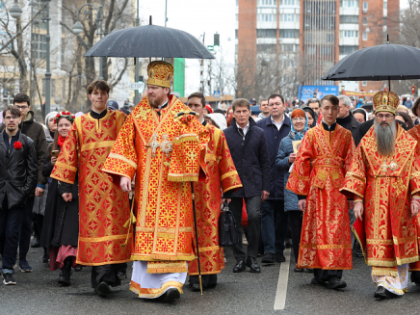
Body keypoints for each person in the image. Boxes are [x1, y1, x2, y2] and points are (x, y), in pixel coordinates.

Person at [102, 61, 209, 302]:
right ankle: (148, 285)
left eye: (154, 88)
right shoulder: (137, 114)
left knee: (175, 236)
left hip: (175, 187)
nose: (149, 91)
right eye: (148, 86)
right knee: (147, 236)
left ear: (165, 89)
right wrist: (124, 175)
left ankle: (172, 283)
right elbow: (125, 145)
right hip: (147, 189)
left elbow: (202, 141)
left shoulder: (183, 113)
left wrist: (187, 143)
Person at [50, 80, 131, 297]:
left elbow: (130, 147)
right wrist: (66, 185)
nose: (99, 97)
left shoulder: (120, 119)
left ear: (107, 96)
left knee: (114, 228)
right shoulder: (80, 123)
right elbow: (69, 154)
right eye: (95, 94)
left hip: (115, 187)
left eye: (103, 93)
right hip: (90, 190)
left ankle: (111, 275)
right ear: (90, 97)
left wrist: (129, 176)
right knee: (95, 229)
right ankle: (101, 279)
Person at [341, 91, 420, 299]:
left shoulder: (408, 143)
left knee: (399, 242)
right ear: (374, 116)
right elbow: (357, 171)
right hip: (375, 202)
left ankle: (398, 283)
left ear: (394, 116)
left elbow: (415, 170)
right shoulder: (366, 143)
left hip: (401, 201)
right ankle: (383, 283)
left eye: (388, 116)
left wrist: (416, 197)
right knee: (379, 242)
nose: (384, 120)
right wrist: (357, 200)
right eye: (380, 116)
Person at [286, 95, 355, 289]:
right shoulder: (311, 134)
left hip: (339, 190)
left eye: (334, 108)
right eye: (326, 108)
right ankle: (319, 273)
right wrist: (301, 195)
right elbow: (302, 163)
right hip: (317, 190)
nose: (331, 112)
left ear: (338, 109)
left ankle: (334, 274)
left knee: (336, 231)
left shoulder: (346, 135)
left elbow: (351, 164)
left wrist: (351, 194)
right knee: (318, 229)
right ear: (320, 111)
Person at [186, 92, 241, 291]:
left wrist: (227, 192)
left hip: (210, 192)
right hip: (188, 191)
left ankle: (210, 274)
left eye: (196, 105)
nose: (193, 108)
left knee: (210, 232)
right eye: (190, 105)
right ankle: (195, 276)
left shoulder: (216, 134)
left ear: (203, 107)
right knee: (191, 234)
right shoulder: (181, 133)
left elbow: (226, 162)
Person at [0, 93, 47, 273]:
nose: (20, 109)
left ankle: (24, 259)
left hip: (26, 188)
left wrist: (39, 183)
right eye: (16, 106)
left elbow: (41, 158)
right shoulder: (2, 129)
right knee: (5, 227)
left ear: (28, 108)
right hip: (5, 188)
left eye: (23, 107)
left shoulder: (36, 129)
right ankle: (7, 258)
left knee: (26, 224)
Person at [223, 98, 270, 274]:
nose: (241, 115)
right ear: (233, 113)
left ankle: (252, 257)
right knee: (234, 222)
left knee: (254, 216)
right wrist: (224, 188)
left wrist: (266, 186)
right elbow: (222, 162)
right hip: (233, 184)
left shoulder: (259, 133)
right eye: (238, 111)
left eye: (244, 111)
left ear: (250, 112)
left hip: (254, 182)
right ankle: (239, 258)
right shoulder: (226, 133)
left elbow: (265, 161)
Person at [40, 112, 79, 286]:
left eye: (67, 125)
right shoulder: (52, 146)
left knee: (69, 232)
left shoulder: (79, 146)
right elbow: (44, 171)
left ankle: (67, 268)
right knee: (56, 229)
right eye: (61, 125)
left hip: (74, 191)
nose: (64, 128)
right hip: (56, 193)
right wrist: (52, 164)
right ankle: (61, 264)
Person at [0, 106, 37, 285]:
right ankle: (4, 262)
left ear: (20, 119)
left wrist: (24, 191)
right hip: (0, 194)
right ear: (4, 120)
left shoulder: (27, 142)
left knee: (12, 233)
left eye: (14, 117)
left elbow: (32, 171)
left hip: (17, 195)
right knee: (1, 232)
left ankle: (8, 269)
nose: (11, 120)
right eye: (8, 117)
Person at [256, 94, 291, 265]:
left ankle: (279, 249)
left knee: (283, 216)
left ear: (284, 105)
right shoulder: (260, 126)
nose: (274, 107)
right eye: (271, 104)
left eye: (278, 104)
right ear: (268, 107)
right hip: (266, 179)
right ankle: (269, 250)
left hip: (286, 179)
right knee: (267, 214)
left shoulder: (292, 125)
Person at [276, 108, 308, 271]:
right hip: (292, 187)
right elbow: (278, 163)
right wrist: (288, 159)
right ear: (291, 122)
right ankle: (299, 261)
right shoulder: (285, 141)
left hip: (309, 185)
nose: (298, 122)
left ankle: (310, 260)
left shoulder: (313, 137)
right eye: (295, 119)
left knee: (309, 226)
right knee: (295, 226)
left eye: (301, 119)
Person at [31, 111, 58, 263]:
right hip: (47, 183)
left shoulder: (69, 140)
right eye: (52, 120)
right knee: (42, 216)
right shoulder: (45, 139)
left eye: (58, 121)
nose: (55, 123)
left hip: (63, 186)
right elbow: (42, 163)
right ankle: (45, 247)